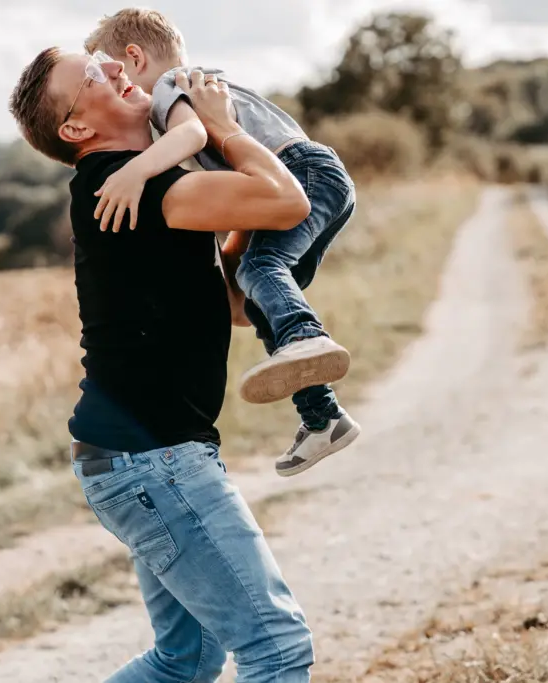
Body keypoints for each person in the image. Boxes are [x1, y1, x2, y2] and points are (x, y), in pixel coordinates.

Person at [8, 48, 315, 682]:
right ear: (75, 127)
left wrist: (251, 245)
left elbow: (231, 307)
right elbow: (289, 201)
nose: (115, 68)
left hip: (136, 460)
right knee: (277, 649)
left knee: (185, 662)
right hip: (154, 462)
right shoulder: (135, 188)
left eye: (102, 59)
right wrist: (223, 127)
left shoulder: (135, 186)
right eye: (93, 74)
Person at [84, 8, 362, 477]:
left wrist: (137, 170)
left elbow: (192, 135)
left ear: (135, 57)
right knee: (258, 297)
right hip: (320, 176)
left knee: (260, 269)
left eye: (114, 73)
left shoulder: (171, 85)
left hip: (302, 171)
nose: (117, 85)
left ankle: (305, 336)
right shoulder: (196, 84)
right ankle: (323, 417)